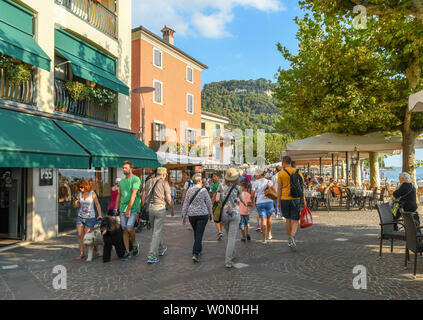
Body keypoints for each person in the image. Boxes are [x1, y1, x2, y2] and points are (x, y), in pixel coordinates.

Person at [143, 167, 175, 264]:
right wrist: (172, 208)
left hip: (150, 208)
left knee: (156, 231)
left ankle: (161, 248)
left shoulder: (149, 182)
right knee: (157, 231)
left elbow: (143, 196)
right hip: (160, 208)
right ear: (164, 175)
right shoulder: (164, 183)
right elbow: (169, 199)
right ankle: (152, 255)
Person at [216, 168, 247, 268]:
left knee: (229, 236)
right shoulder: (237, 187)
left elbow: (217, 199)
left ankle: (232, 255)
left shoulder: (221, 185)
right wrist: (246, 204)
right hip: (235, 213)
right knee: (232, 238)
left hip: (224, 213)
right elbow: (243, 200)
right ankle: (228, 261)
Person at [181, 174, 213, 263]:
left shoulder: (189, 190)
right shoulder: (204, 190)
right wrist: (211, 214)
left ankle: (199, 249)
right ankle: (195, 253)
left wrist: (183, 216)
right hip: (203, 214)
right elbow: (209, 203)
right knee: (199, 233)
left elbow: (186, 203)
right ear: (199, 181)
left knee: (197, 232)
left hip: (192, 215)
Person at [278, 156, 306, 252]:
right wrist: (304, 199)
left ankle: (289, 238)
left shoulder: (281, 173)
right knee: (295, 220)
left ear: (284, 162)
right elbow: (302, 187)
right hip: (296, 198)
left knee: (288, 219)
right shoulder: (298, 171)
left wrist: (278, 201)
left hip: (285, 198)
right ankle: (293, 236)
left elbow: (279, 189)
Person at [115, 161, 141, 260]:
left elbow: (134, 194)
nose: (123, 169)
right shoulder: (121, 182)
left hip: (133, 208)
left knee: (130, 228)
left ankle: (134, 244)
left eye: (125, 168)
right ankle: (127, 251)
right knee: (124, 230)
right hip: (122, 208)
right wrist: (116, 208)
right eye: (123, 168)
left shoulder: (136, 179)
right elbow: (119, 195)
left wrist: (129, 209)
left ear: (131, 169)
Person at [73, 179, 103, 260]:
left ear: (86, 186)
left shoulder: (92, 193)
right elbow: (75, 206)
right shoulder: (79, 194)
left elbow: (97, 204)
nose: (80, 188)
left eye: (82, 187)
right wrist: (75, 203)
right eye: (79, 187)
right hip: (80, 217)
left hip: (90, 218)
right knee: (80, 235)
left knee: (87, 236)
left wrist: (100, 215)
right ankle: (82, 253)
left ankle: (95, 245)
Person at [251, 168, 275, 244]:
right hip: (269, 201)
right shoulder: (269, 181)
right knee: (269, 218)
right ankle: (270, 234)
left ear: (259, 174)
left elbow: (252, 194)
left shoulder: (255, 183)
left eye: (255, 173)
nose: (254, 175)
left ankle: (264, 239)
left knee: (263, 220)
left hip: (260, 202)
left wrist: (252, 201)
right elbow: (274, 191)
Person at [211, 172, 224, 240]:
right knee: (220, 218)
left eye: (214, 176)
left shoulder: (216, 185)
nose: (213, 178)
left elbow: (214, 196)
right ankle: (220, 231)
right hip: (223, 203)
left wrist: (211, 203)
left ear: (218, 177)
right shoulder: (223, 184)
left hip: (217, 203)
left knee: (216, 218)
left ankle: (219, 232)